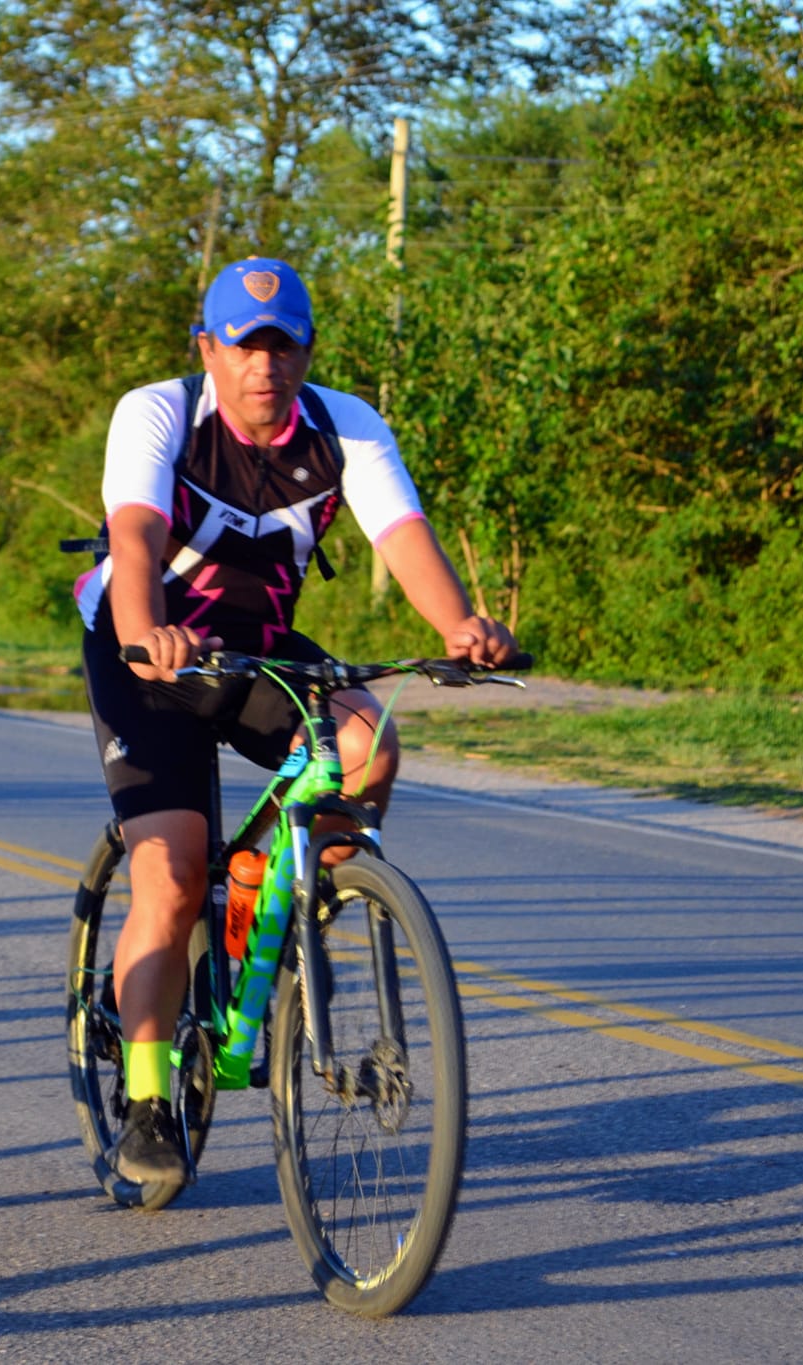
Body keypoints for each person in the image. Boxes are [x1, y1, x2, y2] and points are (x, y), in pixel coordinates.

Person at [76, 256, 519, 1185]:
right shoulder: (156, 412)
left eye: (283, 348)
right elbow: (136, 534)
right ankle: (151, 1097)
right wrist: (141, 631)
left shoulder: (344, 425)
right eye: (243, 346)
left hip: (258, 646)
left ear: (308, 351)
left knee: (367, 750)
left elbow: (402, 534)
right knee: (169, 867)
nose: (264, 367)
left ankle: (279, 898)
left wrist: (459, 627)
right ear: (208, 347)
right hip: (149, 648)